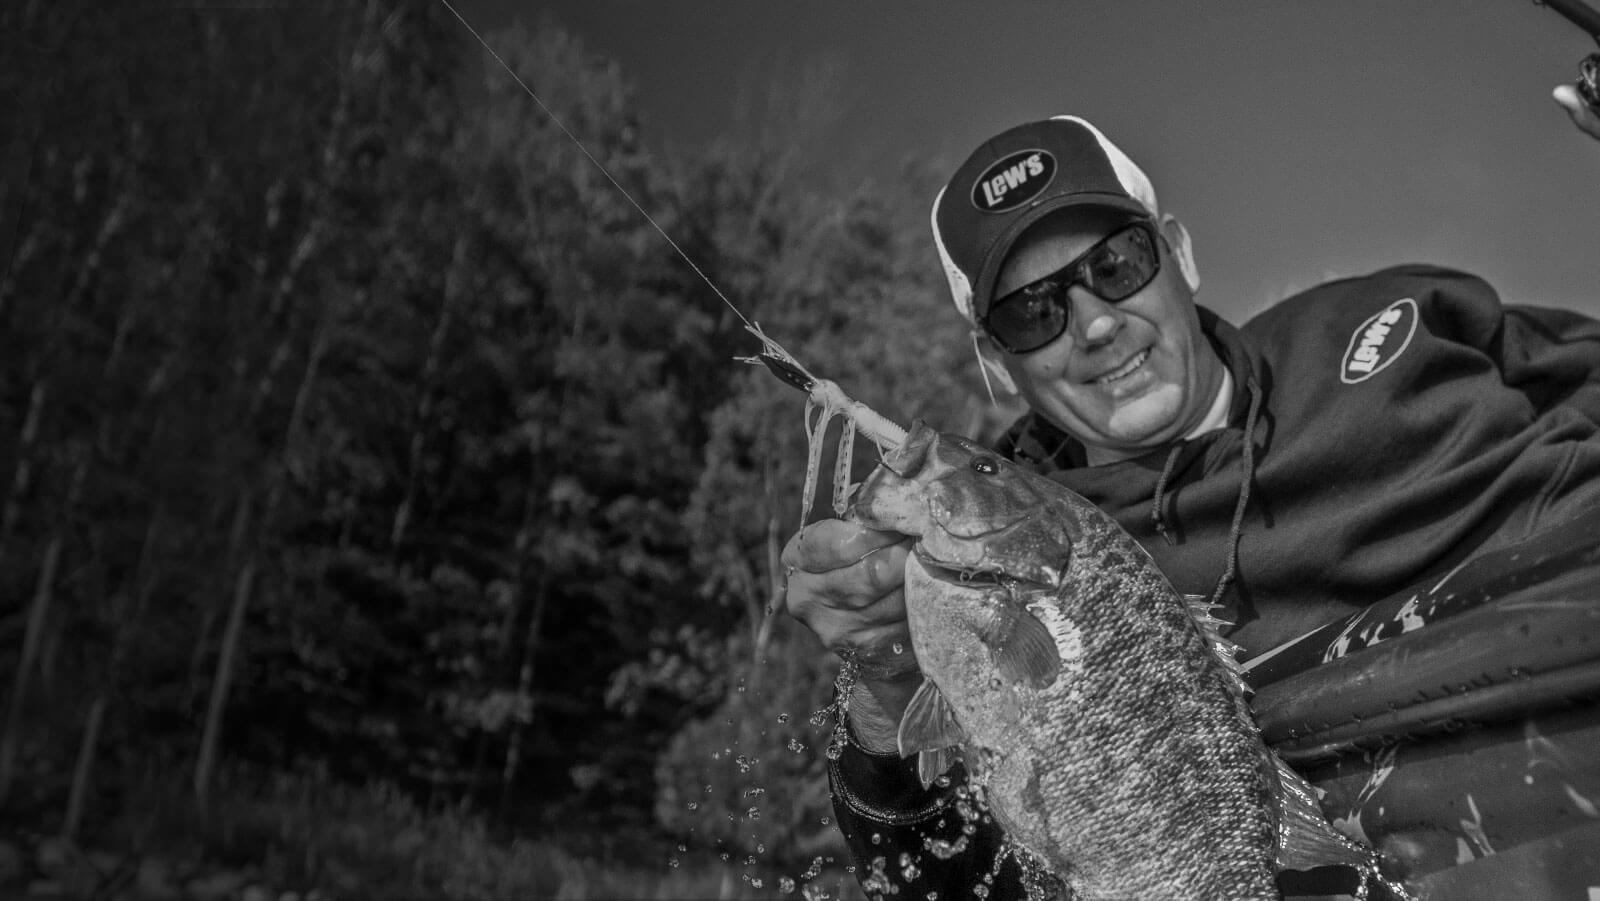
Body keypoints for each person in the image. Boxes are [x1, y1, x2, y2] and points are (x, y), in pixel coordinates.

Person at [782, 88, 1600, 900]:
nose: (1096, 324)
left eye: (1116, 265)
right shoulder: (1006, 569)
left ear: (1178, 251)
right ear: (996, 360)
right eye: (1033, 313)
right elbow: (938, 884)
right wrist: (884, 690)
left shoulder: (1401, 318)